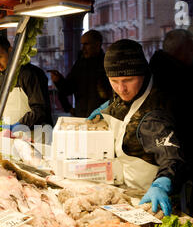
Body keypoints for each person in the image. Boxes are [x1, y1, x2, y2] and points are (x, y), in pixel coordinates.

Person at [88, 39, 185, 217]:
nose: (121, 89)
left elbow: (172, 158)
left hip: (152, 202)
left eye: (128, 80)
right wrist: (108, 108)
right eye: (114, 81)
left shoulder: (155, 116)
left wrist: (161, 185)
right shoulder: (132, 90)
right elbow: (122, 101)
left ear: (143, 73)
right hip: (127, 194)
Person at [48, 30, 112, 118]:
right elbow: (68, 89)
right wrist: (59, 80)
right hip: (82, 116)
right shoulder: (80, 65)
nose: (83, 48)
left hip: (103, 117)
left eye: (86, 44)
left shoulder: (108, 65)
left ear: (97, 44)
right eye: (82, 45)